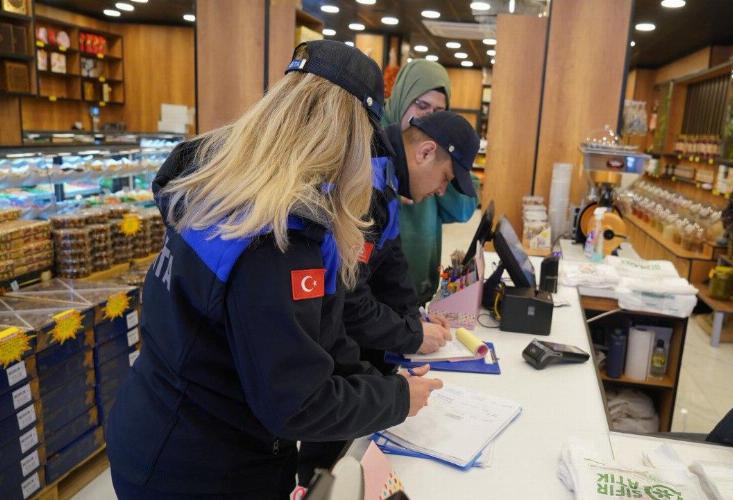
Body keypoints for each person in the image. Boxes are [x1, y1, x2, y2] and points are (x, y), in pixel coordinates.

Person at [105, 41, 443, 499]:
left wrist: (378, 384)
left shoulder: (226, 186)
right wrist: (397, 400)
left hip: (159, 427)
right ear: (347, 135)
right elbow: (296, 401)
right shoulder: (276, 236)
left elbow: (315, 332)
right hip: (199, 468)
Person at [298, 111, 480, 483]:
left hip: (343, 343)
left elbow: (391, 262)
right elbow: (348, 299)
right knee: (331, 467)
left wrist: (415, 318)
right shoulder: (367, 177)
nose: (442, 191)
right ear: (425, 152)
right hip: (321, 342)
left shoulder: (388, 178)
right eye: (445, 178)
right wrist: (411, 336)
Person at [383, 60, 479, 305]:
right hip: (380, 299)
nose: (428, 117)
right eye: (422, 105)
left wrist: (440, 170)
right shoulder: (372, 141)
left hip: (419, 290)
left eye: (439, 112)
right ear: (403, 97)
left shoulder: (438, 152)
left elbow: (464, 208)